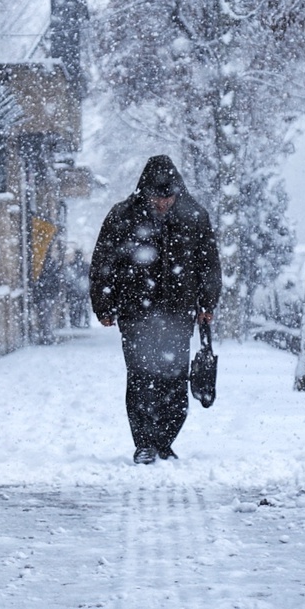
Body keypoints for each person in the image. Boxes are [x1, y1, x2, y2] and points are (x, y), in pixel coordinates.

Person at [89, 155, 221, 465]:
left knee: (174, 379)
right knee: (140, 376)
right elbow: (102, 264)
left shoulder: (194, 217)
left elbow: (209, 264)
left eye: (168, 196)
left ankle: (165, 439)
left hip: (178, 313)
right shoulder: (122, 217)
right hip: (136, 312)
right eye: (156, 196)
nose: (162, 203)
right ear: (144, 192)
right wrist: (104, 305)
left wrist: (207, 302)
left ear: (177, 192)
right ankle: (145, 441)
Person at [65, 248, 91, 329]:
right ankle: (82, 322)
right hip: (81, 290)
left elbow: (68, 279)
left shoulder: (72, 265)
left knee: (76, 307)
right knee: (82, 307)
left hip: (76, 291)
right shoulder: (85, 266)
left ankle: (75, 322)